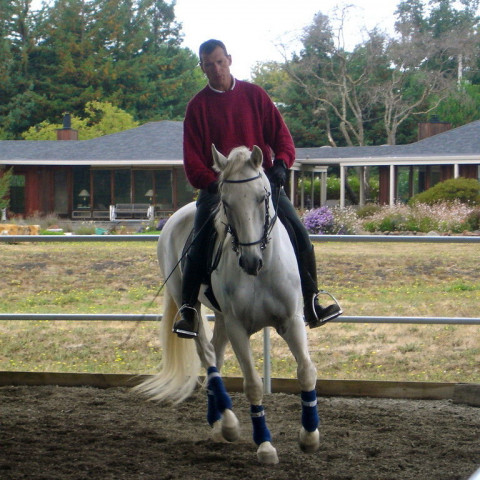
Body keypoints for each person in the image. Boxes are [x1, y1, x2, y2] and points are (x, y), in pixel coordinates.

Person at [173, 39, 342, 338]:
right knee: (197, 243)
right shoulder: (197, 106)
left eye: (220, 62)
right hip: (218, 190)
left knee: (298, 233)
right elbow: (192, 162)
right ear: (202, 68)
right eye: (208, 64)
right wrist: (216, 184)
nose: (216, 69)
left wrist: (281, 164)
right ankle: (188, 309)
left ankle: (312, 301)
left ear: (230, 59)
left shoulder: (255, 96)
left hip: (261, 187)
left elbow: (283, 140)